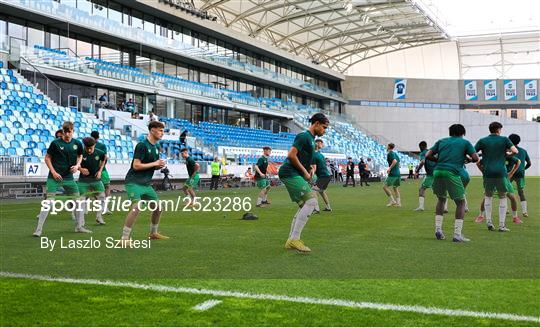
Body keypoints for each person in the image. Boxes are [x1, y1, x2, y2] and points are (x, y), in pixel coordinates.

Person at [280, 113, 329, 253]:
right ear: (317, 124)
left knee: (305, 206)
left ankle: (291, 240)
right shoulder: (304, 136)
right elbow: (291, 155)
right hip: (289, 172)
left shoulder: (312, 140)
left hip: (295, 174)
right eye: (324, 127)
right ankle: (295, 238)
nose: (325, 130)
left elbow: (303, 159)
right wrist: (305, 172)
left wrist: (309, 171)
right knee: (312, 202)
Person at [425, 124, 479, 242]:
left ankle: (438, 229)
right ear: (463, 133)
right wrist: (468, 160)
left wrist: (439, 160)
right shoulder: (465, 143)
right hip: (452, 172)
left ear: (450, 132)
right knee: (460, 202)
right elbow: (476, 158)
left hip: (438, 171)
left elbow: (427, 155)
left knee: (441, 199)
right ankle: (457, 234)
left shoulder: (441, 141)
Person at [33, 122, 85, 237]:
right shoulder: (55, 143)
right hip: (54, 177)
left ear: (73, 131)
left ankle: (79, 227)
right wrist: (53, 171)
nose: (67, 134)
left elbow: (80, 155)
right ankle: (38, 229)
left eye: (69, 132)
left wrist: (77, 166)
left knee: (78, 201)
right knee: (48, 202)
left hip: (69, 178)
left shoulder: (77, 143)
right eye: (65, 132)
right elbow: (47, 158)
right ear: (62, 131)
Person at [121, 121, 169, 243]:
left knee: (158, 208)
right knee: (136, 207)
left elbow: (150, 166)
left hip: (146, 184)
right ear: (152, 130)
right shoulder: (142, 145)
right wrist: (155, 163)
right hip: (134, 182)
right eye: (160, 130)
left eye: (163, 131)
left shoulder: (156, 148)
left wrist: (158, 166)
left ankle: (153, 233)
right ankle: (124, 238)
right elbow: (136, 165)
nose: (162, 133)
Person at [474, 122, 518, 232]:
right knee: (503, 197)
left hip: (488, 172)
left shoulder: (482, 140)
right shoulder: (504, 139)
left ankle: (489, 222)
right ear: (498, 129)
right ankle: (502, 225)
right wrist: (507, 155)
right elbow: (515, 151)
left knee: (488, 196)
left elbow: (473, 154)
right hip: (501, 172)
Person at [476, 155, 522, 224]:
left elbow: (518, 161)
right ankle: (481, 215)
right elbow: (478, 163)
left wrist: (512, 173)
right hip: (492, 178)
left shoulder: (507, 155)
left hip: (504, 179)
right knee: (487, 197)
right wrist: (484, 172)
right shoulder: (490, 155)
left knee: (512, 197)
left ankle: (515, 217)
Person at [78, 137, 106, 225]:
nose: (89, 150)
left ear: (94, 145)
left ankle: (99, 216)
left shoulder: (100, 153)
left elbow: (104, 159)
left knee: (102, 197)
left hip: (96, 179)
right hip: (83, 180)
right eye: (87, 148)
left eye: (91, 148)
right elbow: (75, 164)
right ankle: (81, 221)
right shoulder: (80, 153)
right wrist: (81, 169)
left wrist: (100, 171)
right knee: (82, 200)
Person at [507, 134, 531, 217]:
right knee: (521, 192)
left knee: (505, 190)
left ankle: (506, 209)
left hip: (510, 173)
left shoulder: (509, 151)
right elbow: (529, 163)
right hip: (520, 173)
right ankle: (525, 212)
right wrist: (523, 169)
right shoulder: (523, 151)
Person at [90, 131, 111, 214]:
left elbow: (104, 158)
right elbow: (105, 158)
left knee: (103, 187)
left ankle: (103, 206)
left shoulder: (99, 145)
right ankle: (103, 206)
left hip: (98, 169)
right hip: (99, 170)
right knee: (106, 186)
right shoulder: (100, 145)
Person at [311, 139, 332, 212]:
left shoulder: (313, 155)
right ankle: (328, 207)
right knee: (321, 191)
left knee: (313, 190)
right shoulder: (321, 154)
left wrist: (310, 177)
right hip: (327, 176)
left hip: (323, 176)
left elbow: (314, 168)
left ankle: (316, 209)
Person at [414, 141, 436, 211]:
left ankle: (421, 207)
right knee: (440, 191)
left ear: (420, 147)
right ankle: (445, 207)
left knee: (422, 189)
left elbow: (423, 161)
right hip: (437, 172)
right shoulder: (431, 152)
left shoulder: (423, 153)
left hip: (431, 174)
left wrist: (417, 171)